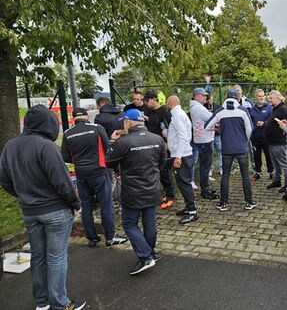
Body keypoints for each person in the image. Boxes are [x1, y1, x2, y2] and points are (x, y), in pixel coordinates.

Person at [0, 105, 86, 310]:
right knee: (56, 257)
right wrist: (75, 203)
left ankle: (42, 302)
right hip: (56, 211)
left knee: (38, 257)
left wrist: (22, 195)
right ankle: (59, 303)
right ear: (48, 123)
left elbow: (4, 180)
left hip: (30, 212)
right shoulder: (46, 146)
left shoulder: (10, 146)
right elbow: (62, 181)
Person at [105, 109, 167, 275]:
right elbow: (162, 163)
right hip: (152, 188)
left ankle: (146, 256)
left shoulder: (123, 142)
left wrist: (112, 142)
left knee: (129, 224)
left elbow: (109, 162)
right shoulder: (157, 139)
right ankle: (151, 252)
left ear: (129, 122)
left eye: (124, 121)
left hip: (132, 191)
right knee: (150, 222)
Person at [61, 108, 128, 248]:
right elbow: (107, 149)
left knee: (86, 206)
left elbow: (65, 157)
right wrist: (116, 169)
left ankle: (92, 238)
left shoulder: (68, 133)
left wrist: (80, 161)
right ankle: (110, 237)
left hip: (81, 174)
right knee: (106, 204)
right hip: (100, 171)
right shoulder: (97, 128)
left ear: (74, 118)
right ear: (86, 116)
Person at [205, 89, 257, 211]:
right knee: (245, 175)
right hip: (242, 148)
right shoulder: (243, 111)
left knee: (225, 176)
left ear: (226, 97)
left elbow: (207, 126)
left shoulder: (220, 111)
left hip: (227, 149)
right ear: (237, 98)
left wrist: (217, 129)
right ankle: (249, 202)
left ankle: (223, 203)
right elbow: (249, 128)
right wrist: (245, 139)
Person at [166, 95, 199, 224]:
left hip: (182, 155)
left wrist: (178, 155)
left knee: (184, 183)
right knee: (182, 183)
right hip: (183, 153)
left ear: (170, 104)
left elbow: (182, 136)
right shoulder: (180, 114)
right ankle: (188, 206)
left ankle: (192, 211)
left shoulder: (178, 115)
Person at [144, 90, 175, 209]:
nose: (146, 104)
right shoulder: (150, 112)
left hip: (164, 146)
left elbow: (171, 128)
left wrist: (167, 142)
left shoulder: (164, 111)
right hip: (152, 146)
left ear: (153, 99)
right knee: (156, 171)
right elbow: (152, 124)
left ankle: (170, 195)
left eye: (147, 101)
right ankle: (162, 193)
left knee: (164, 171)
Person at [189, 88, 219, 200]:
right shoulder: (197, 107)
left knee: (204, 166)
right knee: (205, 166)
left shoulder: (196, 106)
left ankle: (205, 188)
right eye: (203, 95)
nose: (206, 97)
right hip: (204, 140)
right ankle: (205, 190)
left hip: (203, 139)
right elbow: (212, 119)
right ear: (197, 96)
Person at [265, 90, 287, 193]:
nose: (269, 100)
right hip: (272, 142)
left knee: (284, 164)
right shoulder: (275, 109)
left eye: (271, 98)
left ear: (278, 98)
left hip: (279, 143)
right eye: (269, 98)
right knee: (276, 164)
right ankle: (277, 181)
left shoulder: (283, 109)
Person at [249, 89, 274, 181]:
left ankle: (271, 172)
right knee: (256, 155)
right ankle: (257, 172)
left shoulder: (269, 108)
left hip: (266, 136)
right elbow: (249, 122)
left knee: (269, 155)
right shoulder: (252, 109)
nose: (261, 98)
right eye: (259, 96)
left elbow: (272, 121)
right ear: (256, 97)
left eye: (263, 96)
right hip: (255, 137)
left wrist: (264, 123)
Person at [204, 94, 223, 175]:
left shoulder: (218, 107)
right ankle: (210, 169)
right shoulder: (203, 107)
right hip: (208, 134)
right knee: (210, 152)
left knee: (220, 150)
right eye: (208, 99)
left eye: (211, 99)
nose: (210, 101)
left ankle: (221, 167)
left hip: (217, 133)